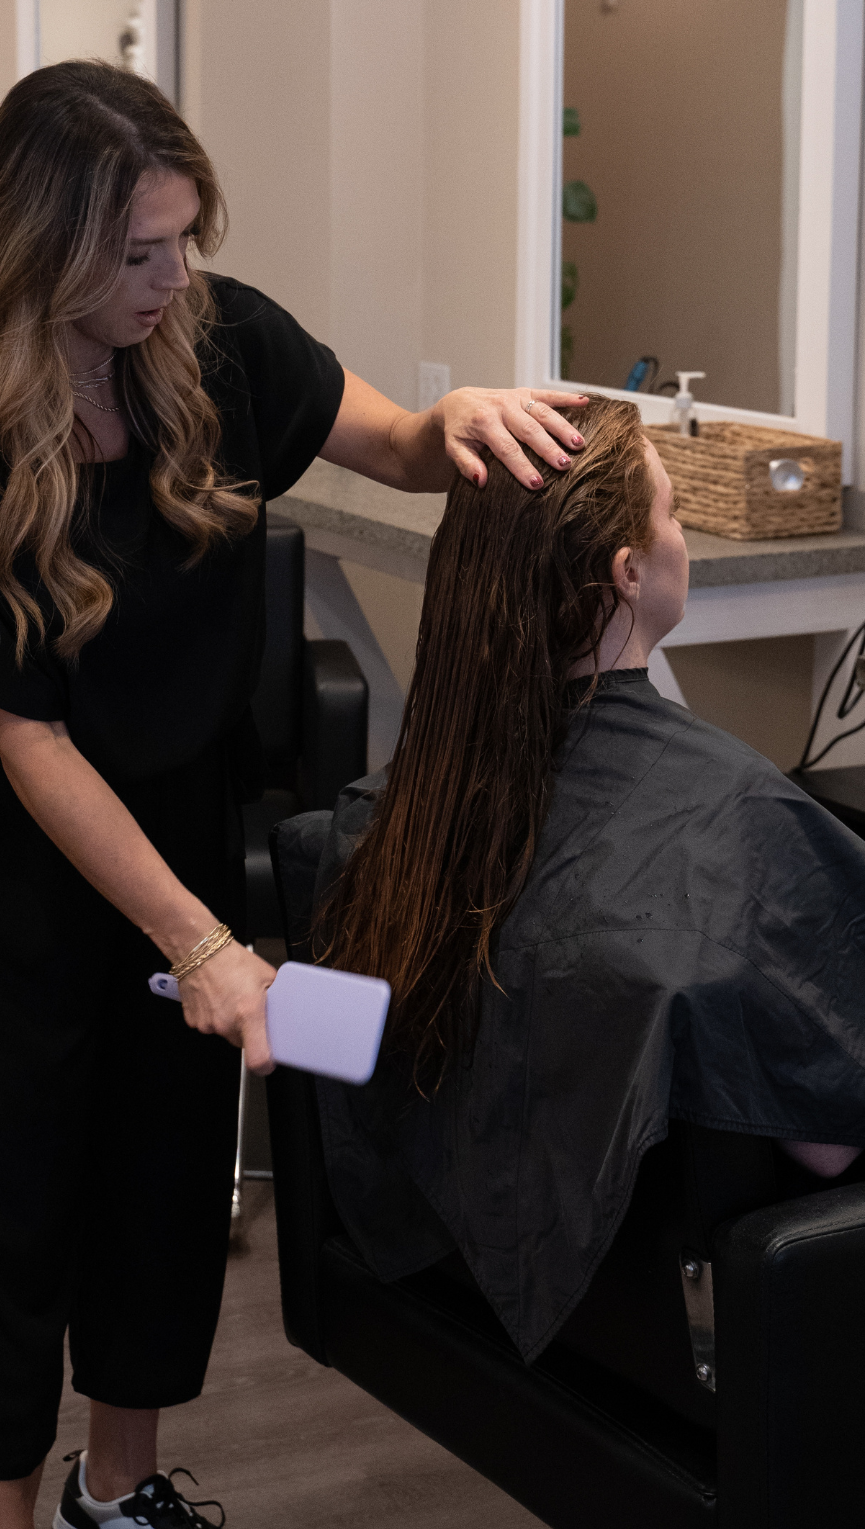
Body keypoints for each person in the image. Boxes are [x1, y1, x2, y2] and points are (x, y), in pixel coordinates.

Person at [0, 58, 586, 1529]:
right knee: (2, 1206)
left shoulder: (215, 342)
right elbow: (26, 742)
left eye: (187, 237)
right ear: (44, 249)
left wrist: (456, 423)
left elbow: (389, 438)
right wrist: (193, 939)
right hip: (9, 881)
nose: (172, 276)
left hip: (177, 829)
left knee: (159, 1180)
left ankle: (121, 1489)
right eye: (137, 251)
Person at [314, 394, 865, 1366]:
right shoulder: (738, 828)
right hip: (724, 1327)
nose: (681, 537)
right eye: (673, 516)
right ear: (628, 573)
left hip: (493, 1304)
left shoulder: (391, 817)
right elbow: (831, 1136)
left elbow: (342, 1045)